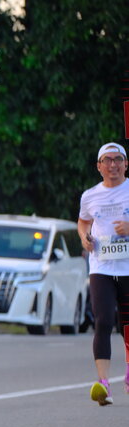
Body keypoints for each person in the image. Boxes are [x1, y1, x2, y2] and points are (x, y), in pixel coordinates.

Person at [78, 141, 129, 406]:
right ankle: (104, 384)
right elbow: (83, 221)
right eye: (107, 160)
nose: (113, 164)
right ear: (99, 166)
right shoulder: (90, 196)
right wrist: (84, 237)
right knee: (103, 321)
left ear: (126, 164)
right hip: (101, 266)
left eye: (118, 159)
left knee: (126, 325)